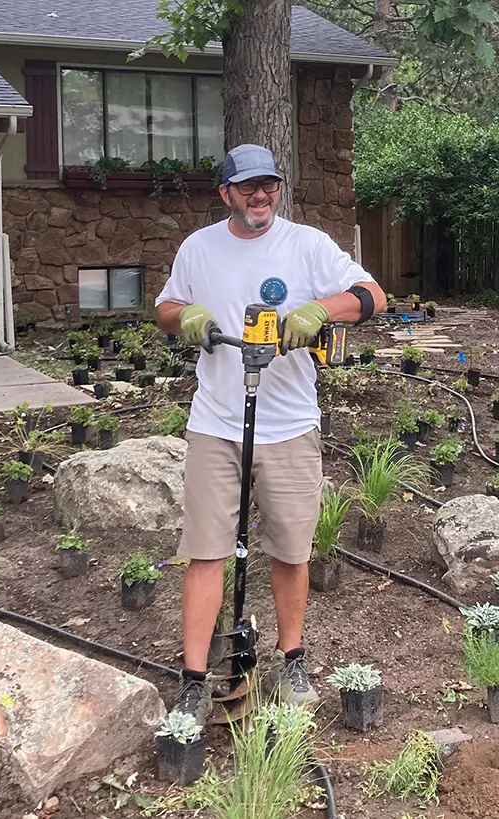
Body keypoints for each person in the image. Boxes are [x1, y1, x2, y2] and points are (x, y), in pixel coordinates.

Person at [155, 144, 387, 726]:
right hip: (215, 424)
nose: (261, 196)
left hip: (288, 425)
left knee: (291, 550)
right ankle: (194, 680)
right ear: (226, 193)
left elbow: (373, 296)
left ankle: (292, 660)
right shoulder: (198, 248)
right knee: (206, 551)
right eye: (248, 187)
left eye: (270, 185)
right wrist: (186, 317)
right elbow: (166, 306)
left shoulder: (307, 245)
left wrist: (320, 311)